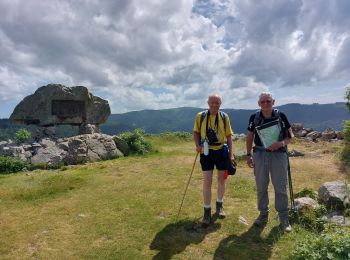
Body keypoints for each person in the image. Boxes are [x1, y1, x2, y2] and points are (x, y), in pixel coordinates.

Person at [246, 92, 294, 232]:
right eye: (263, 102)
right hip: (260, 154)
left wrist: (280, 144)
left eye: (268, 101)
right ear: (258, 104)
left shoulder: (281, 116)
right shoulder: (254, 118)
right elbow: (249, 137)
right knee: (261, 186)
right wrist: (248, 155)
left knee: (280, 186)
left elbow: (290, 136)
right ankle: (263, 214)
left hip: (278, 155)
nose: (265, 104)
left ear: (273, 101)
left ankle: (283, 217)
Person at [193, 94, 234, 226]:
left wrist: (231, 155)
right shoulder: (200, 116)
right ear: (208, 103)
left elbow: (228, 136)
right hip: (206, 151)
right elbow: (196, 132)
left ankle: (219, 205)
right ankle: (206, 211)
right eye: (212, 103)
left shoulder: (224, 117)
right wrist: (197, 145)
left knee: (221, 180)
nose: (215, 105)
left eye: (217, 103)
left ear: (220, 104)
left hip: (221, 150)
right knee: (207, 181)